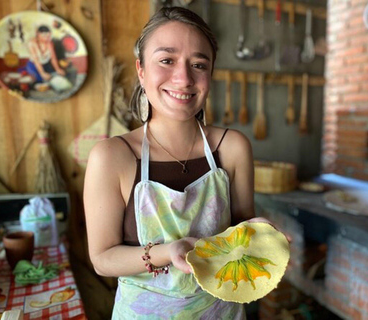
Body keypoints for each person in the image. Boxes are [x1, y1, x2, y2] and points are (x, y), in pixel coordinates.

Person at [84, 7, 274, 319]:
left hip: (220, 312)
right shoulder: (111, 156)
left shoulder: (233, 148)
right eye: (167, 60)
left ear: (210, 75)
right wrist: (168, 252)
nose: (183, 78)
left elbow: (240, 234)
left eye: (199, 64)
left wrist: (260, 238)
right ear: (141, 70)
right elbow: (103, 258)